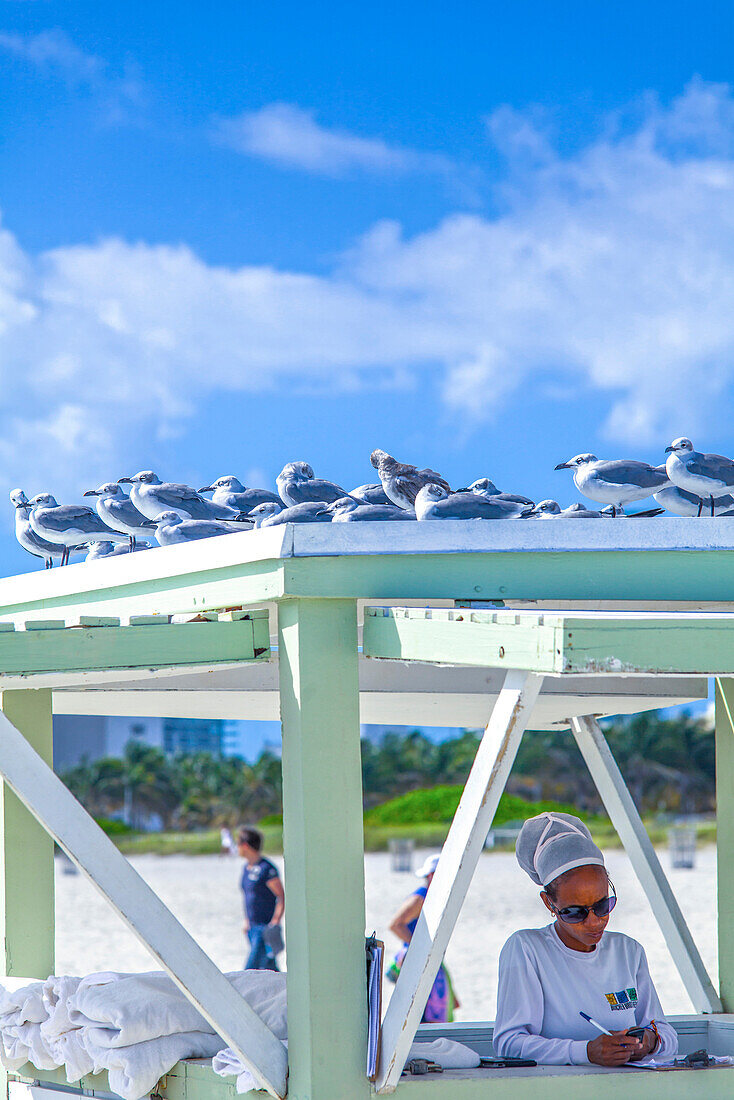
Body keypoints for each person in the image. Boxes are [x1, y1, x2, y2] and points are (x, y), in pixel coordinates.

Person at [493, 812, 678, 1067]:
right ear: (549, 903)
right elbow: (509, 1043)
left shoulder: (628, 951)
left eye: (603, 906)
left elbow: (665, 1032)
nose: (594, 922)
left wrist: (648, 1041)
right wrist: (586, 1052)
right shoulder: (526, 949)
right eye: (575, 912)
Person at [388, 853, 459, 1022]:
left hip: (427, 959)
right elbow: (396, 925)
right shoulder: (421, 897)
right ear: (431, 875)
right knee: (421, 1013)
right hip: (417, 960)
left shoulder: (433, 897)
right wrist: (419, 948)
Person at [237, 826, 285, 971]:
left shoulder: (266, 869)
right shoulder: (246, 868)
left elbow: (281, 896)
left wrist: (275, 921)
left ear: (245, 846)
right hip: (252, 926)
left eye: (238, 844)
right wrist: (247, 920)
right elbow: (249, 897)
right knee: (269, 968)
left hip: (264, 928)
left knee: (250, 968)